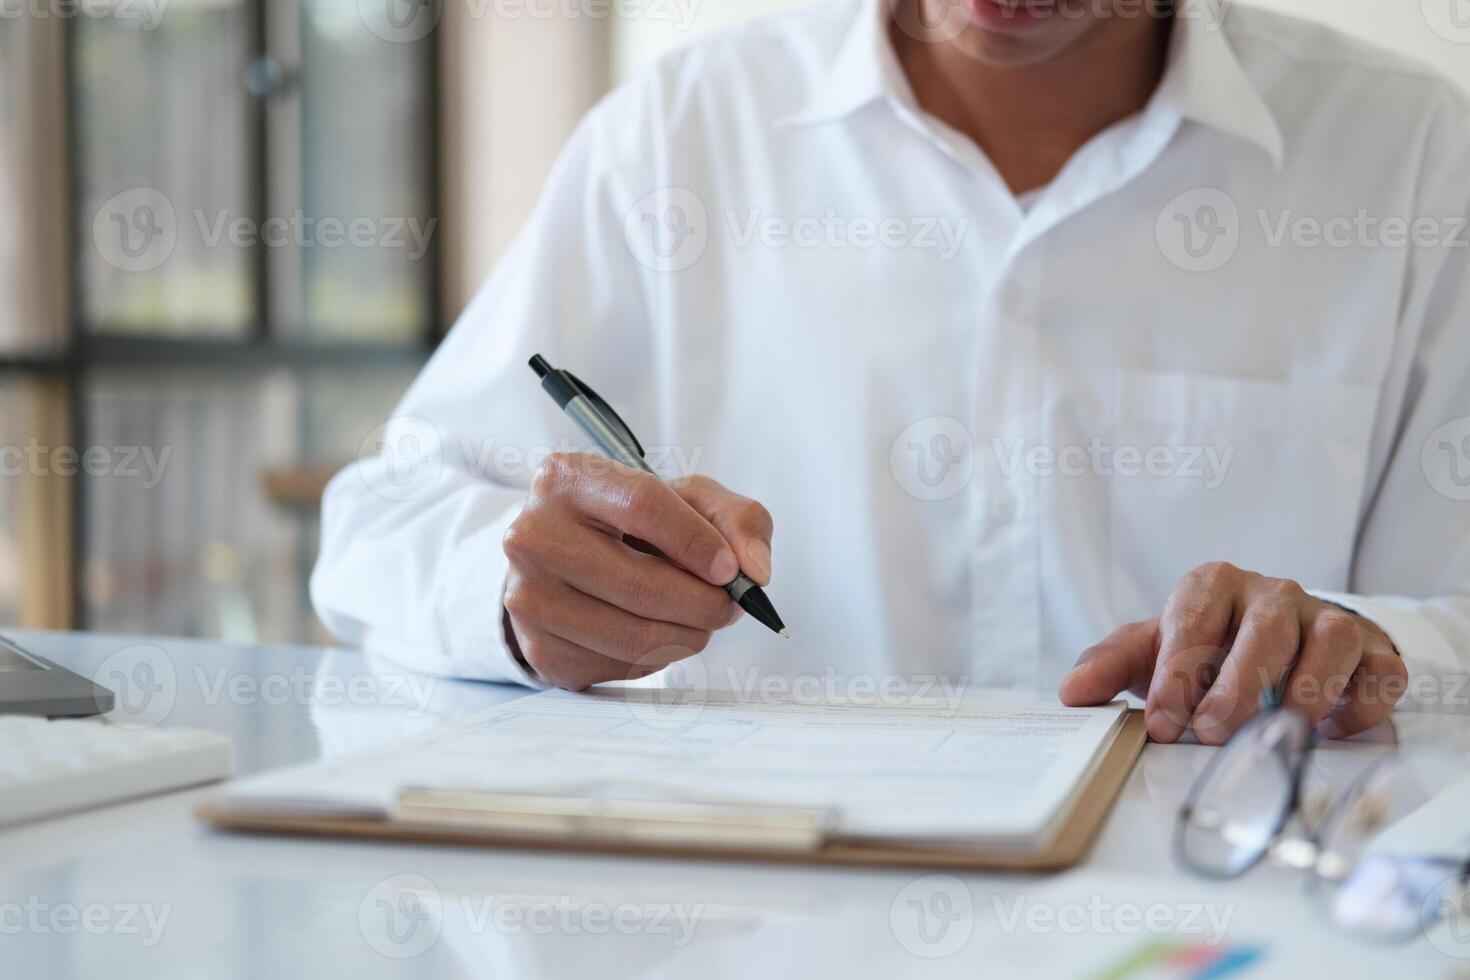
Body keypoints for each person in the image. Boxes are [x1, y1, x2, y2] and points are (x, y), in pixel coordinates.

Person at [311, 0, 1470, 744]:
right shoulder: (682, 130)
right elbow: (380, 525)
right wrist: (520, 605)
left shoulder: (1414, 154)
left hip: (1234, 917)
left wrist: (1363, 646)